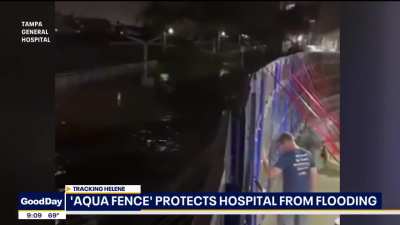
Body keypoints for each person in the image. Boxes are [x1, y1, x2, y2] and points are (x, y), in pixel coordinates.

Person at [263, 132, 318, 225]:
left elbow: (270, 174)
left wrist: (264, 160)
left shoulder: (287, 157)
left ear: (285, 142)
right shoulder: (308, 154)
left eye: (280, 146)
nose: (281, 149)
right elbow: (314, 174)